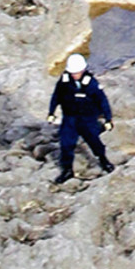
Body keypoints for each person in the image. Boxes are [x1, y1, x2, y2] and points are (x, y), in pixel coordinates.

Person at [47, 52, 114, 185]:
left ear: (83, 70)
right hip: (70, 118)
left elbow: (103, 101)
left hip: (87, 118)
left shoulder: (91, 84)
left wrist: (108, 119)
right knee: (66, 144)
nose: (74, 75)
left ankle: (103, 160)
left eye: (76, 72)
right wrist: (51, 112)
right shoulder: (64, 82)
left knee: (94, 141)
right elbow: (56, 96)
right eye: (72, 72)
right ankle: (67, 170)